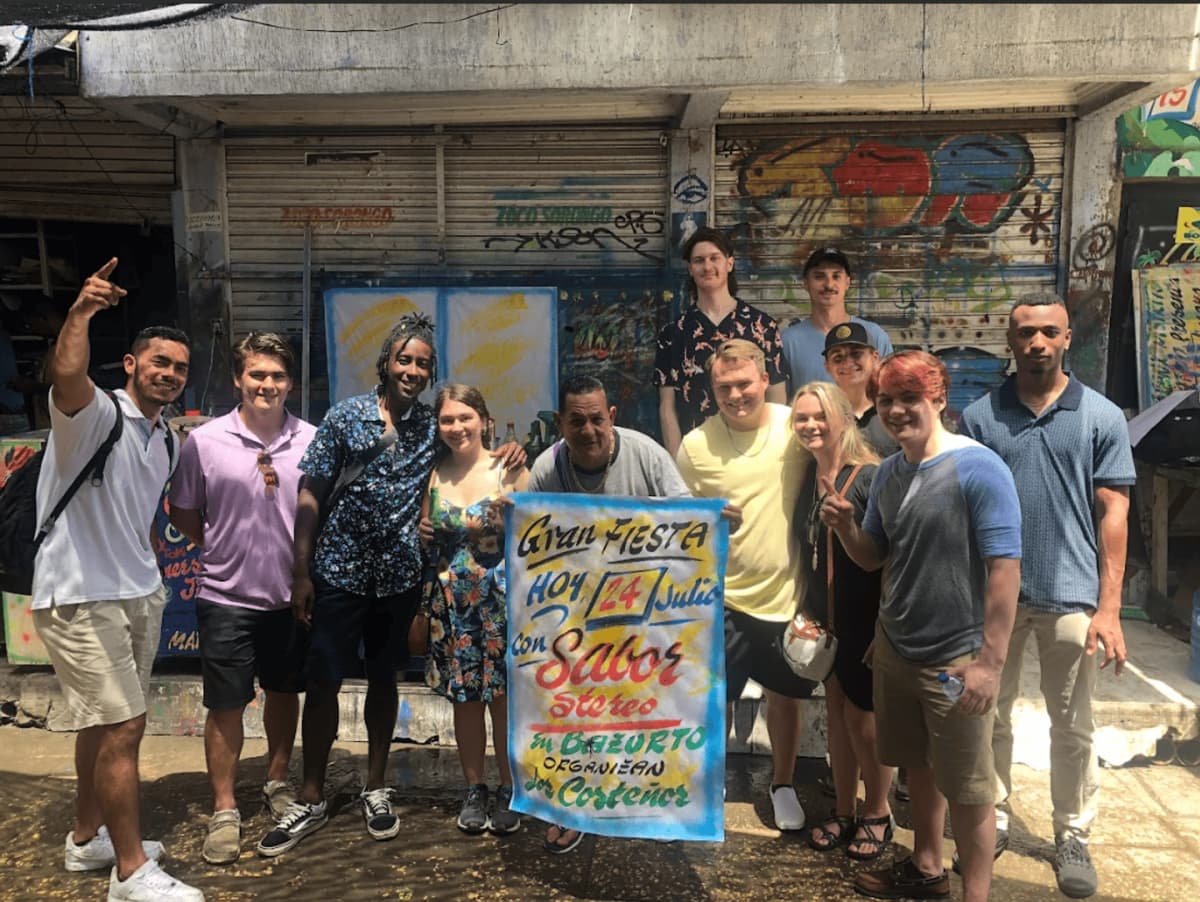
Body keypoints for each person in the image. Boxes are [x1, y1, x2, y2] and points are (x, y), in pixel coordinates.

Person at [256, 313, 524, 858]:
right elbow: (311, 494)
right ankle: (311, 793)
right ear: (385, 363)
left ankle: (375, 786)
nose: (413, 370)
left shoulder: (431, 426)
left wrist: (511, 451)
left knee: (383, 681)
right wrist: (301, 571)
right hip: (339, 571)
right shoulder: (346, 416)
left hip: (398, 579)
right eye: (405, 359)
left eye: (423, 363)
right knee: (325, 678)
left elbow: (473, 455)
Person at [31, 258, 203, 900]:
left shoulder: (166, 439)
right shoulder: (95, 416)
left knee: (100, 725)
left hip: (135, 592)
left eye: (180, 367)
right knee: (126, 727)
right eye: (159, 362)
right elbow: (66, 374)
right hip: (81, 594)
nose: (170, 374)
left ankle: (85, 841)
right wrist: (80, 313)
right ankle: (130, 872)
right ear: (130, 365)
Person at [820, 350, 1021, 902]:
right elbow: (873, 558)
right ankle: (926, 867)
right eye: (886, 400)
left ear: (938, 400)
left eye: (910, 398)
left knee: (971, 792)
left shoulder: (979, 467)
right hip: (896, 652)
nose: (896, 410)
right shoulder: (888, 472)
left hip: (956, 662)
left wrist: (989, 663)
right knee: (917, 769)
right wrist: (843, 527)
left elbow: (1005, 568)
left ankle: (974, 896)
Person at [960, 292, 1135, 899]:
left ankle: (1072, 832)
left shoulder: (1102, 416)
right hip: (995, 600)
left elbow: (1114, 512)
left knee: (1073, 725)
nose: (1037, 342)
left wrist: (1109, 608)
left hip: (1071, 594)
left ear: (1066, 339)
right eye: (1025, 332)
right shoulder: (981, 416)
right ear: (1009, 341)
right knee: (990, 718)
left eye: (1049, 332)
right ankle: (996, 816)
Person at [524, 374, 692, 854]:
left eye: (597, 418)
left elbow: (686, 518)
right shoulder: (546, 468)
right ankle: (575, 808)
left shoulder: (646, 453)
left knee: (640, 712)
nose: (588, 429)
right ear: (560, 423)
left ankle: (640, 801)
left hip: (640, 614)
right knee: (576, 716)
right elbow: (525, 543)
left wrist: (714, 520)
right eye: (576, 421)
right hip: (572, 618)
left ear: (612, 416)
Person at [168, 332, 315, 865]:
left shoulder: (311, 440)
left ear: (290, 383)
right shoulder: (204, 442)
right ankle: (226, 807)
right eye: (257, 375)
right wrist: (225, 546)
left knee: (283, 693)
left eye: (277, 376)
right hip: (225, 595)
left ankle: (277, 781)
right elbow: (182, 512)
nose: (267, 385)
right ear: (238, 379)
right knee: (226, 705)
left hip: (288, 596)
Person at [675, 339, 816, 835]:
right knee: (716, 698)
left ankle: (782, 784)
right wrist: (706, 518)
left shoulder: (794, 426)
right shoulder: (695, 446)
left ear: (763, 380)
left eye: (744, 384)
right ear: (711, 390)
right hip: (722, 599)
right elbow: (679, 524)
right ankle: (709, 782)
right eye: (723, 388)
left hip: (786, 594)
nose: (736, 395)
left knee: (785, 698)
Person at [790, 381, 894, 862]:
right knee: (836, 715)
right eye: (801, 418)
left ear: (843, 418)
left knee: (863, 720)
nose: (810, 425)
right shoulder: (807, 475)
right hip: (826, 618)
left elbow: (889, 558)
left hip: (864, 616)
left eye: (819, 416)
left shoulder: (869, 477)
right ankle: (846, 807)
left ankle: (878, 812)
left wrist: (884, 627)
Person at [418, 383, 528, 836]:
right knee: (465, 701)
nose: (457, 427)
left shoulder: (510, 468)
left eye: (465, 417)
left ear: (483, 419)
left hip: (501, 605)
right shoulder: (435, 472)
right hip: (453, 608)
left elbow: (534, 537)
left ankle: (509, 787)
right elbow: (427, 537)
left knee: (503, 701)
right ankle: (474, 788)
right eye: (447, 419)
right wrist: (424, 534)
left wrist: (511, 525)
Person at [654, 226, 787, 455]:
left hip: (754, 450)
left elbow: (776, 395)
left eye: (715, 258)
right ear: (690, 269)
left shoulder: (761, 326)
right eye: (699, 260)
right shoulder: (674, 333)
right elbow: (668, 408)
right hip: (698, 453)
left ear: (730, 264)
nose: (707, 267)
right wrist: (678, 464)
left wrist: (773, 451)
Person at [781, 247, 893, 394]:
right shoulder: (787, 342)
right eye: (819, 276)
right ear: (806, 283)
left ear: (847, 282)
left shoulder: (873, 336)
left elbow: (890, 392)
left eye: (836, 276)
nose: (828, 285)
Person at [821, 321, 899, 457]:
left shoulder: (896, 409)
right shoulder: (821, 414)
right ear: (827, 366)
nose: (847, 362)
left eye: (856, 354)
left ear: (875, 358)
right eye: (837, 357)